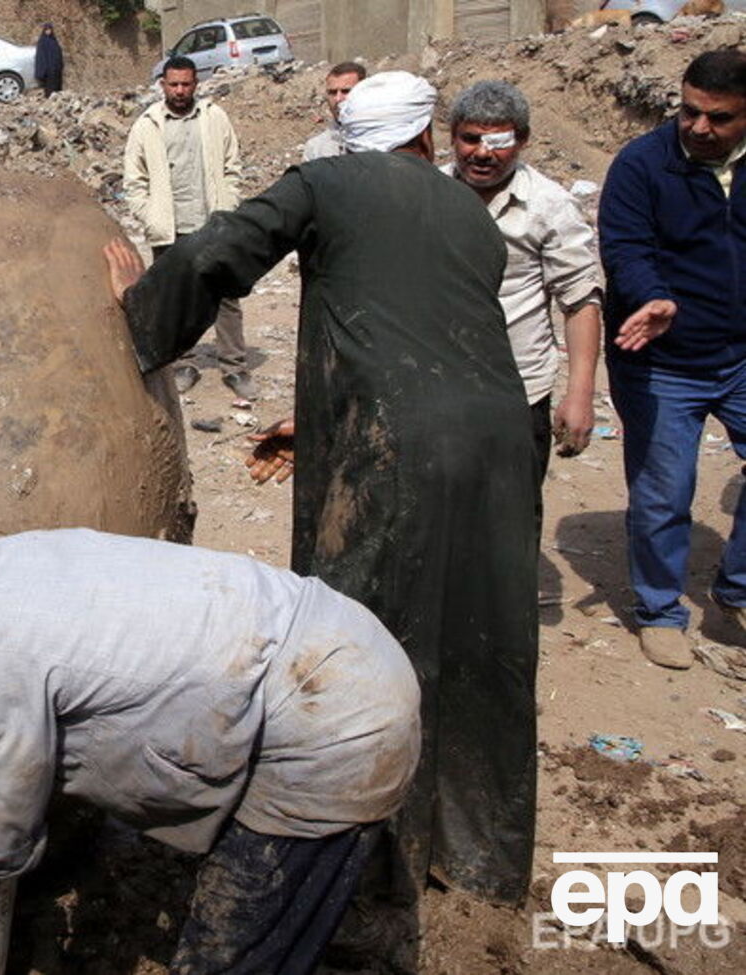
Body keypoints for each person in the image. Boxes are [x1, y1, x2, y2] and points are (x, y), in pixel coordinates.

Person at [106, 70, 541, 962]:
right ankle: (481, 855)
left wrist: (139, 319)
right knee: (482, 638)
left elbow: (212, 253)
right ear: (425, 137)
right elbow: (419, 335)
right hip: (501, 442)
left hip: (394, 451)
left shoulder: (327, 181)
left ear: (353, 137)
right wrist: (317, 415)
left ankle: (376, 858)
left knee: (367, 637)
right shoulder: (467, 211)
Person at [0, 491, 421, 975]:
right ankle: (362, 934)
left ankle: (355, 934)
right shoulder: (12, 561)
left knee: (228, 949)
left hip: (328, 718)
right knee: (295, 895)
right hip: (342, 644)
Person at [599, 48, 746, 670]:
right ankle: (660, 609)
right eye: (689, 112)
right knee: (664, 491)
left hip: (740, 354)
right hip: (660, 359)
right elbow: (626, 246)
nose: (699, 128)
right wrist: (653, 296)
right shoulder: (642, 164)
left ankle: (736, 591)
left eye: (718, 118)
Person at [443, 80, 603, 531]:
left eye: (498, 141)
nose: (482, 153)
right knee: (440, 514)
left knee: (510, 519)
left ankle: (508, 602)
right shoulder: (429, 193)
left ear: (523, 140)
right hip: (438, 385)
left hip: (517, 392)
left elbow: (579, 300)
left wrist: (580, 393)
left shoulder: (548, 206)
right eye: (470, 139)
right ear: (452, 136)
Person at [123, 56, 254, 401]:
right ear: (163, 85)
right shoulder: (147, 125)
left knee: (226, 296)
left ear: (196, 84)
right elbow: (134, 182)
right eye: (173, 84)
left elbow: (232, 166)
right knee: (174, 299)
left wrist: (228, 207)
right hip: (169, 228)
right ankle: (184, 363)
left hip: (213, 223)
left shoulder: (214, 118)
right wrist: (150, 216)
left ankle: (235, 367)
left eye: (186, 84)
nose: (180, 90)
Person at [302, 61, 366, 161]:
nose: (338, 99)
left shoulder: (384, 140)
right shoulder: (316, 148)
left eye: (346, 91)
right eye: (332, 92)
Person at [34, 23, 64, 96]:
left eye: (49, 30)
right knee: (49, 85)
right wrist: (43, 68)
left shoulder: (54, 40)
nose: (48, 31)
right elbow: (40, 56)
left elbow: (58, 52)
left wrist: (60, 64)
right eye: (47, 30)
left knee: (56, 82)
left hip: (55, 67)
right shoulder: (42, 41)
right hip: (48, 67)